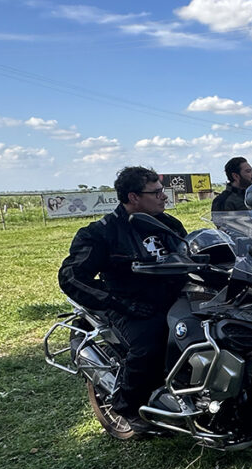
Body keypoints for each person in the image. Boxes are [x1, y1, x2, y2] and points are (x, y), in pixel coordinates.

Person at [58, 166, 187, 434]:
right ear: (133, 197)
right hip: (131, 306)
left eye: (162, 191)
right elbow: (72, 276)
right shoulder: (102, 232)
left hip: (176, 298)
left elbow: (191, 254)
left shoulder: (169, 224)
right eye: (156, 192)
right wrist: (117, 302)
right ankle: (127, 405)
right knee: (152, 342)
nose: (164, 197)